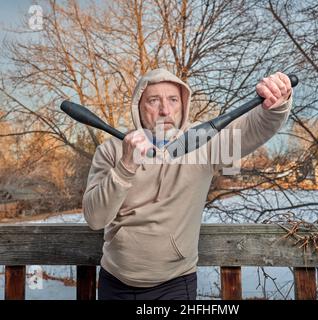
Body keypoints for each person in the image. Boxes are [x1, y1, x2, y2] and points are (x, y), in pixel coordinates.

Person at [82, 68, 293, 300]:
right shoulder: (111, 151)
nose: (165, 110)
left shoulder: (201, 142)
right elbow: (95, 218)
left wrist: (277, 103)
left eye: (173, 100)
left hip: (174, 285)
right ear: (138, 107)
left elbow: (252, 128)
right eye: (154, 100)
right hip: (116, 283)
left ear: (183, 105)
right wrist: (125, 166)